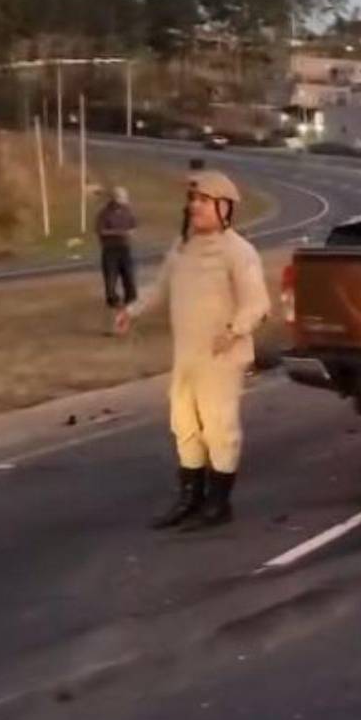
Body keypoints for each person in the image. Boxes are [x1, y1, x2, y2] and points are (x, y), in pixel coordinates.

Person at [115, 171, 271, 531]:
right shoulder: (181, 248)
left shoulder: (238, 251)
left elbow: (257, 303)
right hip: (186, 357)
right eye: (193, 200)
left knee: (219, 428)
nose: (194, 207)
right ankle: (190, 498)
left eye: (203, 200)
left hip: (222, 357)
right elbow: (159, 289)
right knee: (184, 426)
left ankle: (218, 504)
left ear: (224, 207)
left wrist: (235, 330)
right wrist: (132, 312)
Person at [96, 187, 137, 310]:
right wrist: (118, 233)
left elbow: (133, 227)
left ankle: (131, 299)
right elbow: (101, 231)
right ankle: (113, 301)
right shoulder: (104, 213)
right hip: (110, 250)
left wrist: (130, 232)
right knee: (111, 279)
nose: (123, 202)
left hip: (124, 248)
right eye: (121, 199)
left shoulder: (127, 211)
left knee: (129, 276)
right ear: (114, 199)